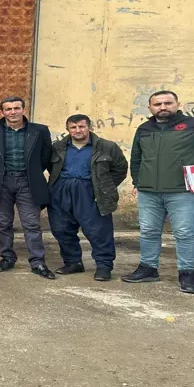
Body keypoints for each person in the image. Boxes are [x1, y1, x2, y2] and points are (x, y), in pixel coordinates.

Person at [123, 91, 194, 293]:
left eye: (168, 103)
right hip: (148, 192)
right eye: (157, 104)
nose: (163, 107)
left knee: (185, 233)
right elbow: (136, 158)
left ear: (178, 104)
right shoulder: (144, 129)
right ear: (150, 108)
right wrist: (138, 181)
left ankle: (187, 274)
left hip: (182, 191)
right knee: (149, 232)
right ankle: (148, 268)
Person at [0, 96, 55, 279]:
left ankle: (38, 262)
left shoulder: (40, 131)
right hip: (2, 183)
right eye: (8, 109)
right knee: (3, 223)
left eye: (16, 108)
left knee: (31, 224)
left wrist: (34, 173)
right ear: (2, 112)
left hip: (27, 182)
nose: (12, 112)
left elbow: (46, 155)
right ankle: (7, 257)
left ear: (23, 109)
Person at [47, 115, 128, 281]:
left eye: (81, 127)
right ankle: (73, 262)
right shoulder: (58, 147)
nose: (78, 130)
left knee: (98, 230)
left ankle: (104, 266)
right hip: (61, 190)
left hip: (91, 191)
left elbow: (120, 168)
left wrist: (103, 186)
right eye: (73, 127)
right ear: (68, 129)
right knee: (62, 228)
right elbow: (51, 167)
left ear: (89, 127)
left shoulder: (106, 147)